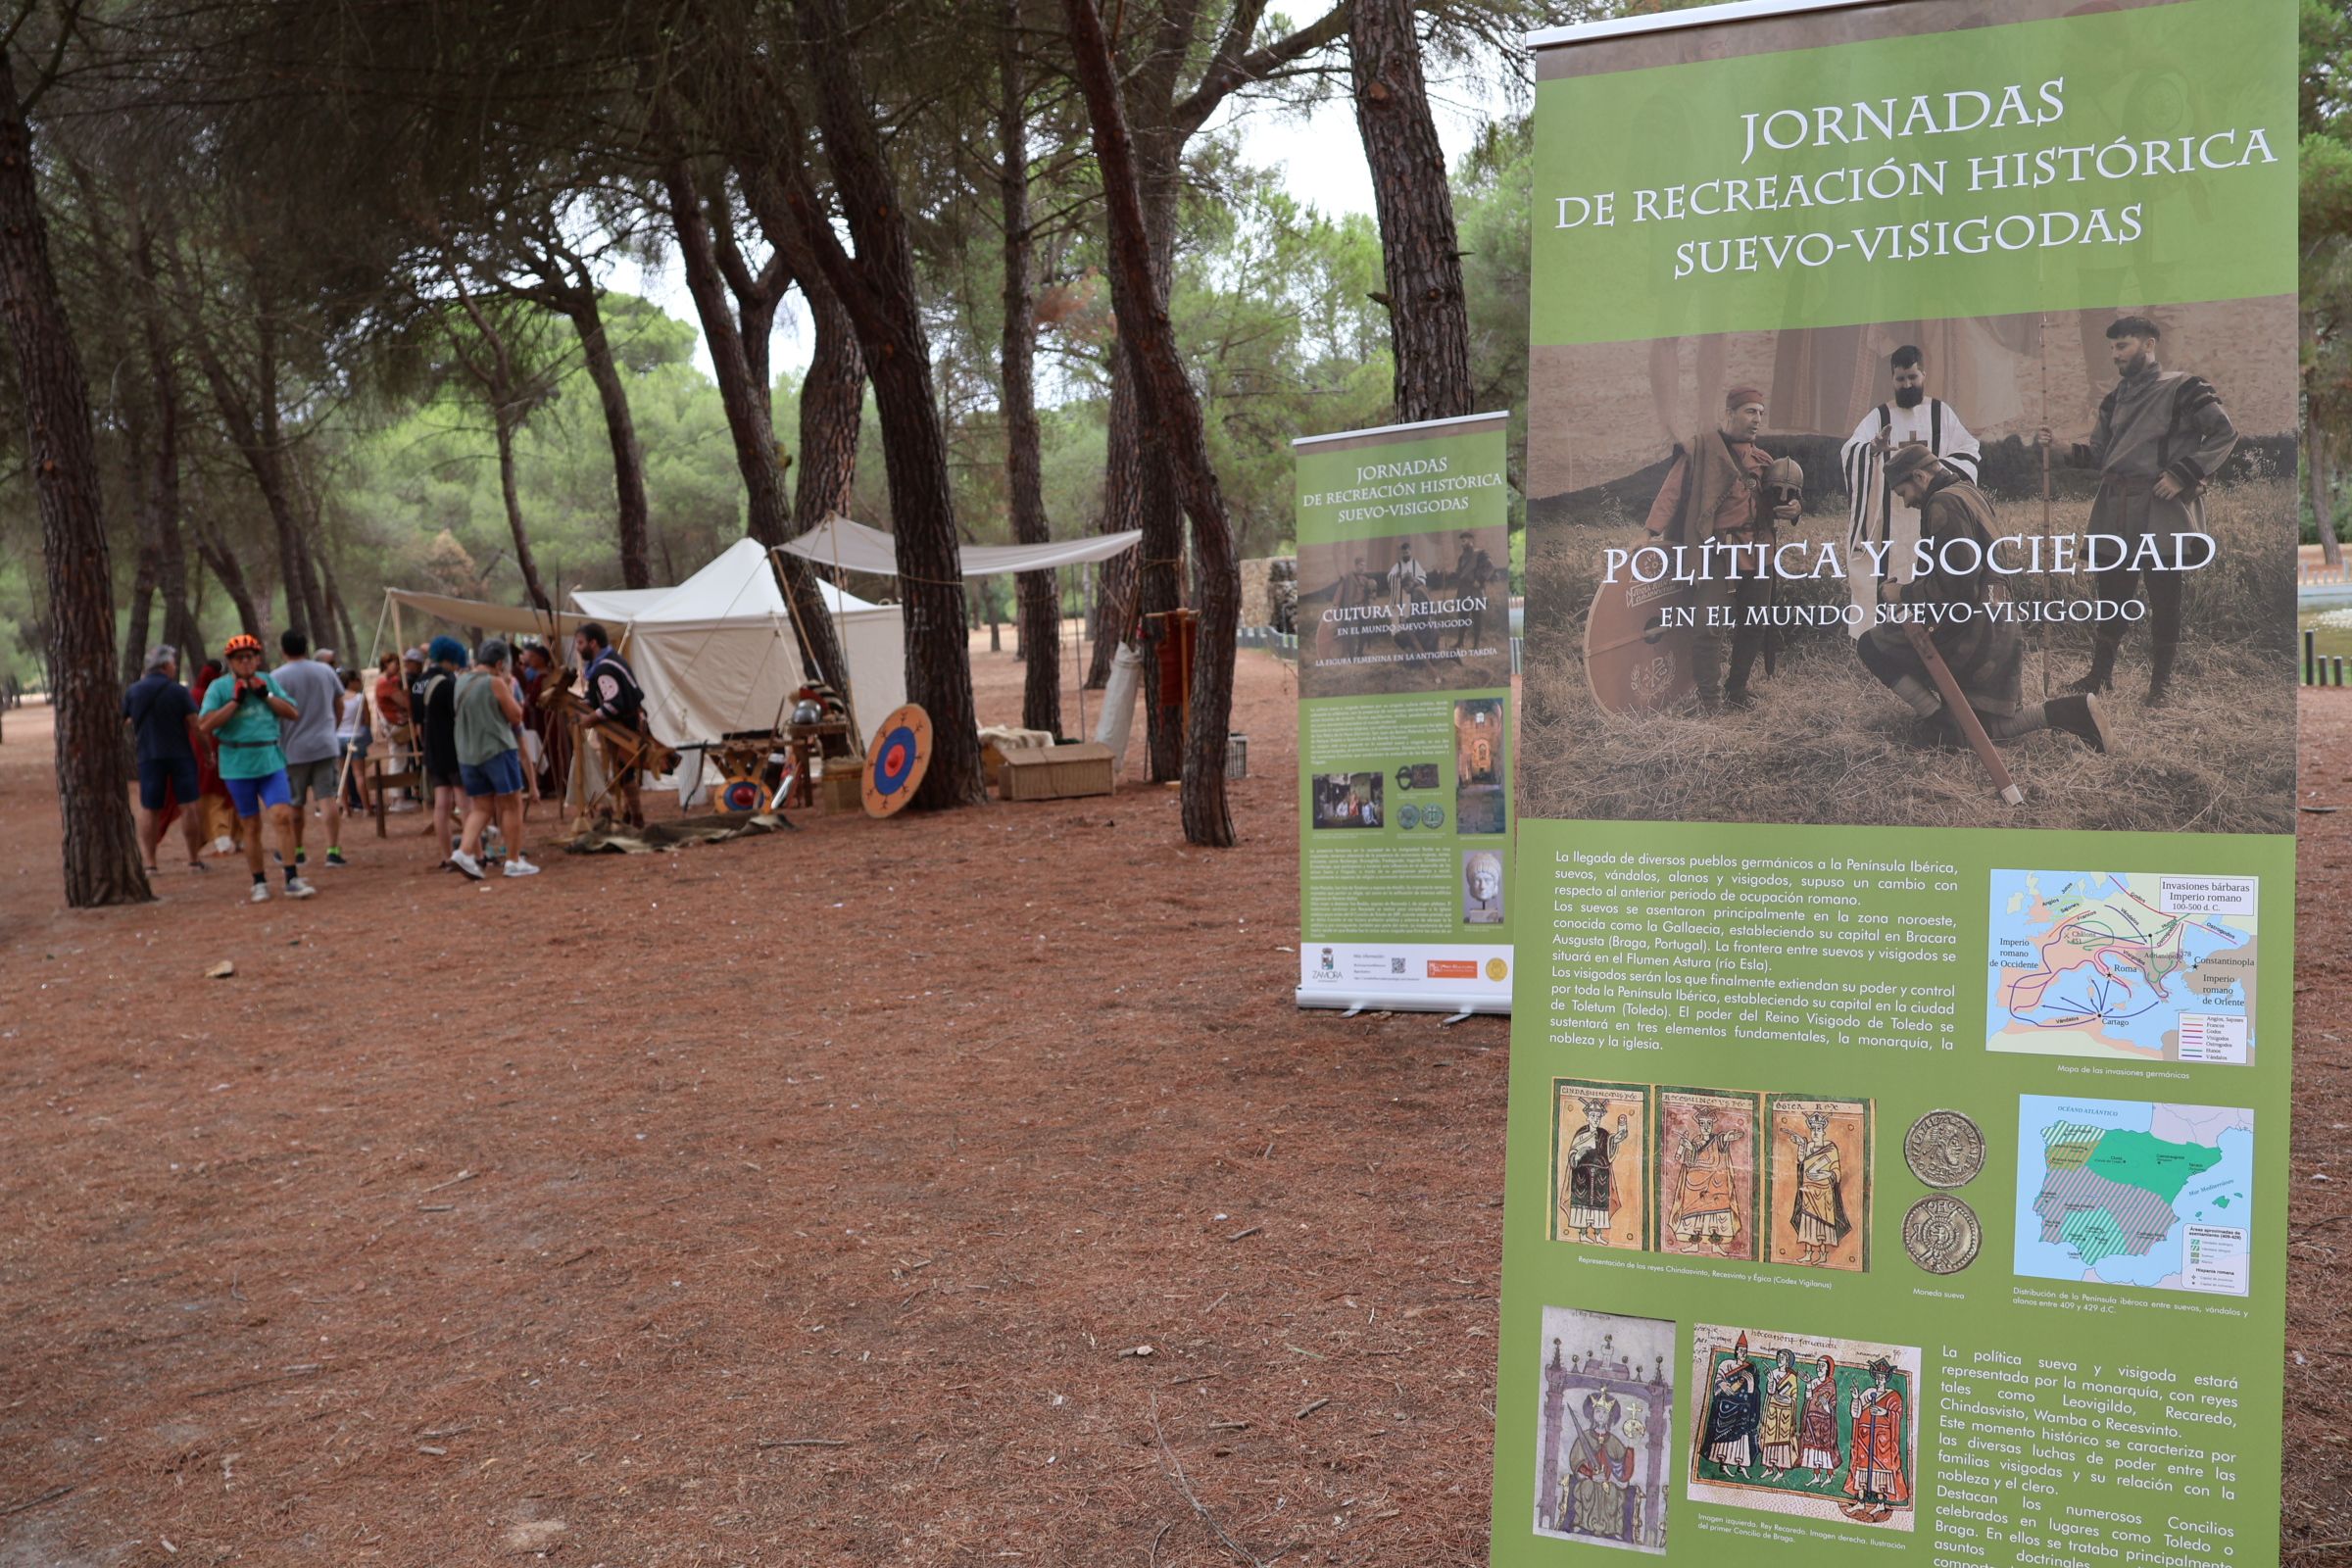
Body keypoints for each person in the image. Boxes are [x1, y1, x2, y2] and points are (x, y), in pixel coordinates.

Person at [1857, 443, 2112, 753]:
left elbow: (1958, 585)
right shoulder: (1968, 493)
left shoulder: (1943, 503)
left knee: (1871, 645)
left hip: (1973, 631)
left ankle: (1940, 721)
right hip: (1998, 623)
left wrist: (1902, 594)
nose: (1907, 502)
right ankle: (2071, 712)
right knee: (1986, 729)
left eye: (1903, 493)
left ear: (1919, 476)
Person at [2037, 315, 2238, 705]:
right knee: (2111, 594)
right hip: (2115, 506)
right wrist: (2062, 447)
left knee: (2165, 595)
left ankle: (2160, 685)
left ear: (2149, 345)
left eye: (2123, 346)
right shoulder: (2114, 399)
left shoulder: (2184, 387)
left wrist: (2182, 475)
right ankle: (2100, 676)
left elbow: (2224, 433)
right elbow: (2101, 455)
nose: (2115, 355)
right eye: (2112, 347)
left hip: (2161, 506)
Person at [1642, 386, 1802, 710]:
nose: (1757, 419)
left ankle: (1737, 690)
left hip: (1759, 552)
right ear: (1729, 414)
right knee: (1708, 626)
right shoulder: (1701, 450)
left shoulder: (1765, 460)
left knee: (1755, 623)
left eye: (1760, 412)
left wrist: (1795, 509)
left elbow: (1783, 501)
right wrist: (1649, 532)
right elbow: (1671, 493)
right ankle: (1711, 700)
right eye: (1749, 411)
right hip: (1717, 552)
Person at [1838, 345, 1983, 637]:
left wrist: (1933, 472)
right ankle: (1882, 638)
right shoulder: (1879, 417)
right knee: (1886, 568)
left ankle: (1935, 635)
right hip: (1889, 518)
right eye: (1900, 379)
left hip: (1934, 511)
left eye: (1913, 377)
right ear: (1892, 379)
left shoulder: (1941, 413)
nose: (1907, 385)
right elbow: (1850, 451)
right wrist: (1873, 451)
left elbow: (1969, 451)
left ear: (1923, 374)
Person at [196, 633, 317, 902]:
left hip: (270, 759)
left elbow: (292, 712)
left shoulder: (269, 681)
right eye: (240, 658)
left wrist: (267, 695)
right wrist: (234, 703)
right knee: (251, 825)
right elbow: (204, 725)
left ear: (258, 659)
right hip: (238, 764)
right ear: (230, 662)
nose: (246, 662)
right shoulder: (218, 688)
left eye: (250, 657)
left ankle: (291, 877)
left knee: (283, 816)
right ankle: (259, 881)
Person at [450, 638, 539, 880]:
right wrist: (508, 688)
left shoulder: (461, 682)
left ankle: (464, 852)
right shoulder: (495, 682)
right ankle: (513, 860)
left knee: (481, 806)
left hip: (468, 753)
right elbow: (516, 716)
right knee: (511, 804)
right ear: (500, 663)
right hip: (497, 748)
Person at [122, 644, 207, 876]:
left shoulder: (133, 691)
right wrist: (207, 752)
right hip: (181, 755)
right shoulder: (179, 691)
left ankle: (150, 863)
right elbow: (195, 725)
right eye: (173, 664)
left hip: (148, 756)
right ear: (167, 666)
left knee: (150, 808)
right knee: (188, 806)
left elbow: (120, 722)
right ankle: (193, 860)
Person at [272, 628, 348, 867]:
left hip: (292, 748)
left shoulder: (277, 677)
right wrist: (331, 728)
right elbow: (339, 704)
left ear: (283, 650)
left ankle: (298, 850)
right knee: (327, 798)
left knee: (295, 802)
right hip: (325, 744)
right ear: (305, 647)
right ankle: (333, 851)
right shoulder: (324, 671)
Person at [573, 622, 647, 829]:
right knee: (620, 770)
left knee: (625, 771)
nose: (578, 648)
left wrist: (590, 719)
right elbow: (595, 697)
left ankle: (637, 816)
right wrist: (582, 705)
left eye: (580, 643)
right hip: (620, 723)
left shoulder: (605, 667)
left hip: (624, 725)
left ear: (593, 643)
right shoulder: (601, 664)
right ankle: (627, 814)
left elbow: (614, 704)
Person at [415, 636, 466, 865]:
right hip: (453, 747)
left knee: (441, 804)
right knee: (465, 803)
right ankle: (472, 853)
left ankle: (446, 856)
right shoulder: (448, 682)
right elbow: (459, 715)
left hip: (431, 748)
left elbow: (415, 718)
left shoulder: (418, 682)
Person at [1843, 1358, 1912, 1521]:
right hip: (1865, 1437)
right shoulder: (1868, 1393)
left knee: (1879, 1470)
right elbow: (1856, 1412)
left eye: (1883, 1376)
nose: (1879, 1379)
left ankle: (1880, 1503)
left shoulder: (1893, 1396)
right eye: (1877, 1376)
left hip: (1883, 1440)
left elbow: (1897, 1415)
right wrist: (1855, 1398)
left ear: (1886, 1378)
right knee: (1862, 1469)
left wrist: (1884, 1412)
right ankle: (1860, 1501)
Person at [1669, 1110, 1742, 1254]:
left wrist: (1730, 1136)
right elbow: (1689, 1162)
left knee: (1716, 1213)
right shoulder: (1696, 1141)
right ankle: (1694, 1245)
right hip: (1695, 1183)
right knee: (1693, 1214)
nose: (1706, 1127)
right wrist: (1688, 1148)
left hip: (1715, 1182)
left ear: (1712, 1125)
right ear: (1699, 1125)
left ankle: (1716, 1245)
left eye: (1709, 1124)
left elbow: (1727, 1139)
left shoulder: (1717, 1139)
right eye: (1703, 1124)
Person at [1786, 1109, 1852, 1267]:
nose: (1815, 1132)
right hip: (1808, 1191)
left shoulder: (1830, 1148)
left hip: (1824, 1193)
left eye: (1818, 1129)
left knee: (1822, 1224)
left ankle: (1822, 1254)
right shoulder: (1808, 1147)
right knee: (1808, 1222)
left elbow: (1837, 1171)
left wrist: (1827, 1173)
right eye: (1813, 1129)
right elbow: (1802, 1163)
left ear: (1823, 1131)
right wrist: (1801, 1145)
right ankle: (1808, 1254)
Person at [1561, 1097, 1628, 1245]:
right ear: (1588, 1117)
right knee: (1582, 1204)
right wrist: (1577, 1154)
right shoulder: (1581, 1133)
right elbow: (1573, 1152)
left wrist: (1620, 1134)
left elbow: (1613, 1141)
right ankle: (1583, 1234)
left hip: (1600, 1175)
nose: (1596, 1119)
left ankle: (1598, 1235)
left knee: (1600, 1206)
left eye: (1598, 1116)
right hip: (1582, 1176)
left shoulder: (1604, 1133)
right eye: (1593, 1116)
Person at [1704, 1348, 1761, 1479]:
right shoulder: (1726, 1364)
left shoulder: (1750, 1368)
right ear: (1736, 1352)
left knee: (1742, 1437)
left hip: (1742, 1409)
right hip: (1727, 1406)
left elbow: (1755, 1391)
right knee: (1724, 1435)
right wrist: (1722, 1384)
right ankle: (1723, 1464)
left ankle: (1741, 1466)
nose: (1743, 1353)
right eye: (1741, 1351)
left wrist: (1751, 1385)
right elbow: (1719, 1379)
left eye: (1745, 1351)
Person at [1449, 530, 1498, 651]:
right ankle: (1460, 642)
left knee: (1477, 618)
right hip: (1463, 590)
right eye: (1461, 541)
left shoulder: (1480, 554)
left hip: (1475, 590)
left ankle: (1476, 645)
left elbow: (1490, 566)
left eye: (1464, 540)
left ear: (1471, 541)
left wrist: (1480, 579)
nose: (1462, 543)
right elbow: (1460, 573)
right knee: (1463, 617)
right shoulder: (1461, 557)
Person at [1798, 1355, 1842, 1487]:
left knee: (1825, 1449)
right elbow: (1808, 1398)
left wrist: (1825, 1405)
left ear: (1828, 1369)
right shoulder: (1813, 1382)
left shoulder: (1831, 1384)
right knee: (1813, 1449)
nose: (1819, 1368)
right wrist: (1807, 1384)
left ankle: (1829, 1476)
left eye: (1822, 1366)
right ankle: (1816, 1476)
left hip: (1825, 1422)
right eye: (1818, 1365)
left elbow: (1833, 1405)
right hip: (1811, 1420)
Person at [334, 667, 372, 813]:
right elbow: (367, 720)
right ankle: (366, 808)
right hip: (356, 737)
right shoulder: (359, 698)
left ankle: (346, 809)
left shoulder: (336, 699)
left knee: (342, 775)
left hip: (338, 737)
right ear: (351, 682)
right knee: (359, 774)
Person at [1759, 1347, 1802, 1479]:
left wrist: (1786, 1398)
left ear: (1788, 1361)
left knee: (1782, 1441)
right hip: (1772, 1410)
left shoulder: (1792, 1377)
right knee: (1769, 1437)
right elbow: (1770, 1392)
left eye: (1782, 1358)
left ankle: (1781, 1470)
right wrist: (1771, 1382)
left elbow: (1794, 1397)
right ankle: (1769, 1467)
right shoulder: (1773, 1372)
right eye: (1778, 1358)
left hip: (1785, 1413)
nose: (1779, 1360)